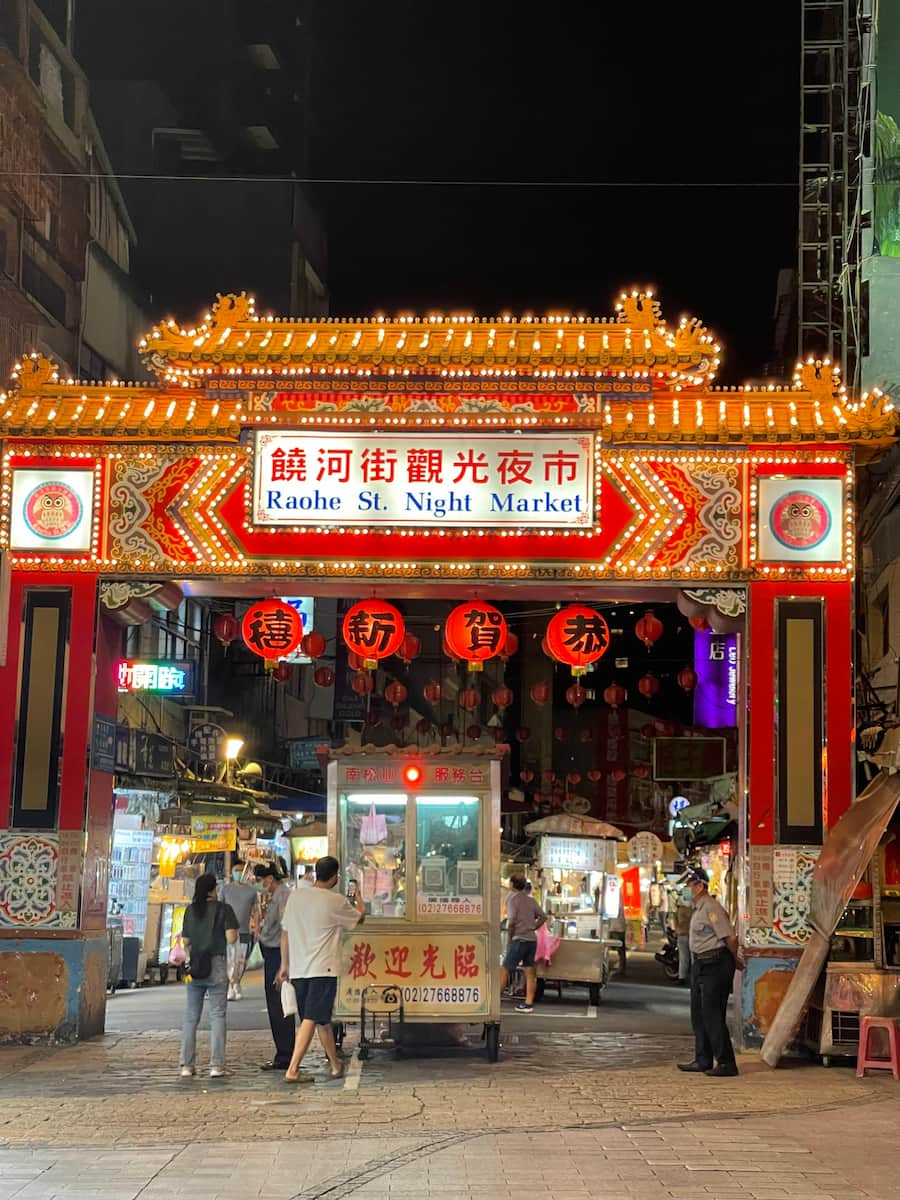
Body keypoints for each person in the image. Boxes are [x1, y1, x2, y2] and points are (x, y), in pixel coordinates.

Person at [277, 856, 364, 1082]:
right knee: (312, 1018)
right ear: (335, 876)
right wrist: (359, 895)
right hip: (322, 968)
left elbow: (284, 934)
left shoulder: (296, 897)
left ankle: (335, 1065)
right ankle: (293, 1069)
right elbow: (359, 919)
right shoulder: (334, 901)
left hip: (299, 969)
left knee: (320, 1019)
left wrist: (284, 965)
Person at [677, 867, 744, 1077]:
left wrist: (736, 960)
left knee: (712, 1014)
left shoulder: (711, 908)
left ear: (699, 885)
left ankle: (726, 1063)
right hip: (701, 964)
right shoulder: (698, 909)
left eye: (689, 885)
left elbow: (729, 938)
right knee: (698, 1014)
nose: (686, 890)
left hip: (715, 963)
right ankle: (703, 1059)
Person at [179, 872, 239, 1078]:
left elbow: (185, 941)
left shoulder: (190, 910)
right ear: (214, 889)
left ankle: (187, 1066)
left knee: (190, 1017)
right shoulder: (224, 910)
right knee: (217, 1016)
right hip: (217, 965)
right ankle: (216, 1066)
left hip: (195, 965)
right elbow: (231, 938)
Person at [256, 865, 295, 1072]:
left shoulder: (283, 896)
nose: (261, 885)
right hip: (272, 954)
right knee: (275, 1006)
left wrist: (283, 964)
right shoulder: (278, 895)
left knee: (279, 1006)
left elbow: (285, 930)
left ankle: (285, 1055)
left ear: (270, 879)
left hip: (277, 955)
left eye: (261, 880)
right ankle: (283, 1053)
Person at [499, 874, 548, 1013]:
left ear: (512, 884)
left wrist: (510, 937)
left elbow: (512, 920)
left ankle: (495, 1001)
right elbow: (543, 916)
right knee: (530, 972)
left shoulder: (512, 899)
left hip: (518, 939)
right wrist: (534, 927)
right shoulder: (530, 900)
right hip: (531, 940)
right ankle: (528, 1004)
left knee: (505, 969)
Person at [221, 859, 260, 1000]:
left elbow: (256, 911)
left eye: (241, 871)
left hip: (244, 931)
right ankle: (231, 986)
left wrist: (256, 929)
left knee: (241, 962)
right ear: (231, 872)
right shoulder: (225, 889)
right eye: (236, 871)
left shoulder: (252, 891)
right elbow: (220, 908)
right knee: (229, 960)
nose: (238, 873)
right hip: (227, 931)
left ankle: (236, 983)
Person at [674, 887, 693, 985]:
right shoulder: (694, 908)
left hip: (682, 934)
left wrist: (676, 930)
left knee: (683, 957)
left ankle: (682, 977)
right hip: (693, 935)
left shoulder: (680, 908)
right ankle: (695, 977)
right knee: (694, 958)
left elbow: (675, 921)